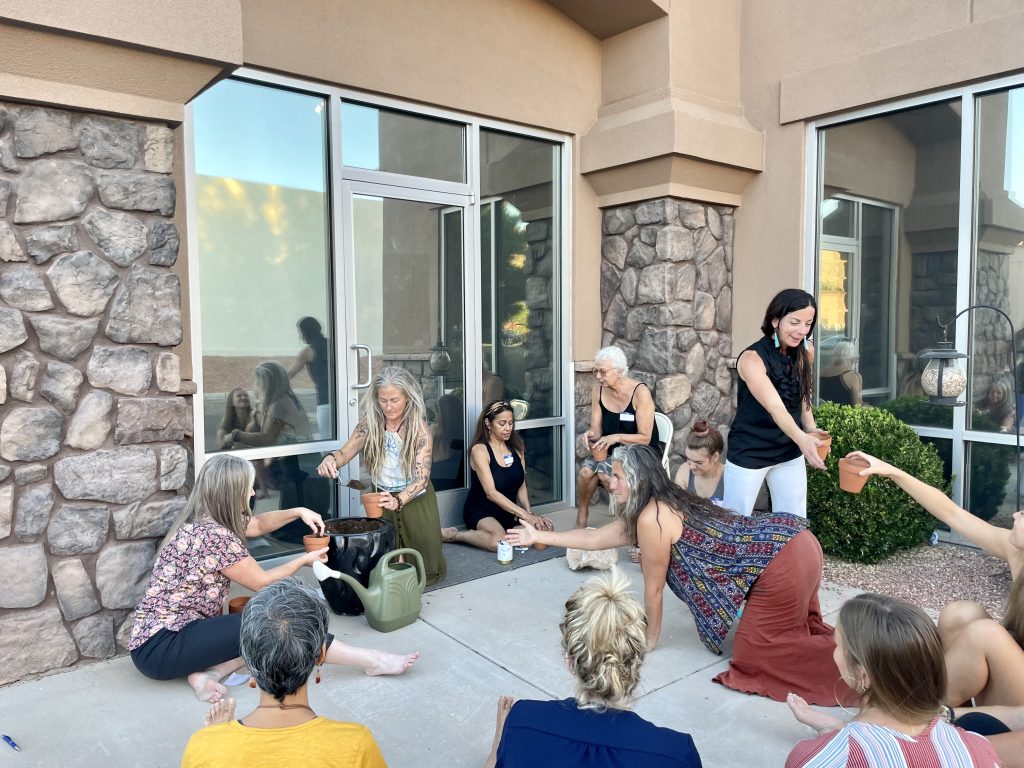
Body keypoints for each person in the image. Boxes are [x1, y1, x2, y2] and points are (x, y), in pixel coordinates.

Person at [507, 444, 857, 707]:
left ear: (638, 480)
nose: (609, 483)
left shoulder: (652, 519)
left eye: (617, 477)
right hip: (796, 543)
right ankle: (865, 654)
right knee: (791, 636)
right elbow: (594, 538)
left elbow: (654, 589)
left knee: (757, 658)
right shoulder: (659, 504)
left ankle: (873, 676)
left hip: (784, 558)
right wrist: (538, 536)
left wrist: (650, 639)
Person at [128, 454, 419, 704]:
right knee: (279, 622)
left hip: (175, 634)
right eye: (248, 488)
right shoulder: (215, 537)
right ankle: (372, 660)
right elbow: (263, 582)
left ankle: (208, 673)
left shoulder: (209, 520)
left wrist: (297, 511)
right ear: (231, 492)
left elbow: (258, 523)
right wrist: (305, 560)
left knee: (261, 631)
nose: (254, 493)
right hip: (162, 647)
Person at [842, 450, 1024, 708]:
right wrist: (892, 471)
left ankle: (915, 717)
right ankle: (945, 715)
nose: (1015, 515)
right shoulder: (1016, 551)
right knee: (960, 614)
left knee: (985, 633)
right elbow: (952, 514)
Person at [484, 568, 702, 768]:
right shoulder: (676, 754)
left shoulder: (522, 722)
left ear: (570, 660)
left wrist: (499, 742)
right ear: (637, 659)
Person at [181, 578, 387, 768]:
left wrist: (218, 739)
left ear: (247, 658)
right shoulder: (355, 745)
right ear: (321, 654)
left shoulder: (202, 747)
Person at [785, 593, 1001, 768]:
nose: (833, 652)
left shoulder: (814, 759)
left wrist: (836, 739)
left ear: (864, 674)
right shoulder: (978, 748)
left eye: (837, 645)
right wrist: (834, 728)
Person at [317, 366, 446, 585]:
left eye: (394, 400)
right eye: (383, 400)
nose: (388, 406)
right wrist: (330, 459)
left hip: (414, 497)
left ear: (407, 397)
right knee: (384, 556)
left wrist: (399, 500)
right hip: (381, 494)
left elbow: (421, 478)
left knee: (425, 562)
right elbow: (345, 453)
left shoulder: (420, 429)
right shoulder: (369, 424)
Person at [723, 288, 828, 517]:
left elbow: (803, 394)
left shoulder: (806, 350)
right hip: (751, 448)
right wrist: (802, 439)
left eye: (808, 323)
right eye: (795, 322)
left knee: (794, 522)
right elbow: (775, 407)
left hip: (788, 448)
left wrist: (810, 428)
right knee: (734, 522)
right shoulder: (752, 359)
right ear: (775, 320)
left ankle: (786, 555)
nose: (802, 331)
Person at [441, 400, 553, 552]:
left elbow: (521, 485)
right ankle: (455, 535)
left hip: (509, 511)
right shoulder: (480, 450)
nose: (508, 428)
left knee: (544, 532)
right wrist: (525, 516)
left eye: (510, 423)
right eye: (502, 423)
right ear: (488, 424)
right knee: (499, 543)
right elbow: (491, 493)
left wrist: (530, 514)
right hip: (482, 510)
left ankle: (505, 532)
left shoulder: (517, 448)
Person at [576, 346, 656, 528]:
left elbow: (646, 437)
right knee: (586, 472)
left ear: (619, 371)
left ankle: (629, 521)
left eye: (602, 372)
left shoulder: (640, 393)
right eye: (596, 371)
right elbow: (596, 430)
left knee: (605, 474)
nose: (597, 376)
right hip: (613, 454)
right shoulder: (599, 389)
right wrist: (591, 434)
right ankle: (582, 514)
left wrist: (615, 437)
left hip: (640, 454)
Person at [229, 361, 313, 448]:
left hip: (299, 456)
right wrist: (255, 416)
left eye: (258, 384)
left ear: (268, 384)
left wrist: (236, 435)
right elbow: (251, 430)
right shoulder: (278, 400)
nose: (255, 388)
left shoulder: (279, 404)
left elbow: (267, 439)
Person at [288, 316, 332, 440]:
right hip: (344, 400)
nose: (300, 337)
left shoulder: (308, 352)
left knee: (327, 440)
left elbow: (290, 373)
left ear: (304, 333)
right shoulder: (336, 346)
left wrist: (270, 380)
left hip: (325, 401)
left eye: (300, 333)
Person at [672, 420, 725, 502]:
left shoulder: (728, 479)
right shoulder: (684, 471)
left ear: (715, 457)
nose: (691, 467)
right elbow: (677, 504)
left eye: (698, 462)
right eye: (689, 459)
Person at [430, 393, 465, 491]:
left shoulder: (460, 443)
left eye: (438, 410)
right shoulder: (433, 432)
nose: (435, 414)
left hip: (451, 492)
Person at [818, 340, 862, 406]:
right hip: (843, 415)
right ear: (852, 359)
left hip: (821, 414)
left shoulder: (820, 373)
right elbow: (857, 406)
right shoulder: (853, 376)